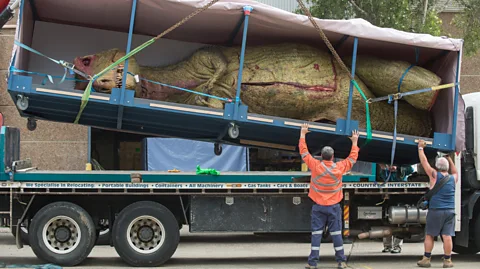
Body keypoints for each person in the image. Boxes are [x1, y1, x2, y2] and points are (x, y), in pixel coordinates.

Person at [299, 123, 360, 269]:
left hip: (318, 207)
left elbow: (304, 152)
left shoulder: (315, 166)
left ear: (321, 156)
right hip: (333, 207)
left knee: (316, 235)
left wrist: (303, 134)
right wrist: (355, 141)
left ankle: (312, 263)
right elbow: (352, 159)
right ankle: (341, 261)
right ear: (333, 157)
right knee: (337, 234)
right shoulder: (339, 168)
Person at [416, 140, 458, 268]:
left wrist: (420, 148)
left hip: (436, 211)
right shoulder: (453, 178)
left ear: (437, 167)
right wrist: (449, 159)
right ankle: (447, 260)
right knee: (447, 236)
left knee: (430, 235)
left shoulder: (434, 175)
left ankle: (426, 259)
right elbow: (455, 171)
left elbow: (424, 163)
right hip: (450, 211)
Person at [378, 164, 415, 254]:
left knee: (400, 222)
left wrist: (398, 167)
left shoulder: (403, 167)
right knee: (387, 220)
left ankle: (397, 246)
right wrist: (385, 168)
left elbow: (411, 170)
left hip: (401, 194)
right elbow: (382, 176)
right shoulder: (386, 170)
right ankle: (387, 246)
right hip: (389, 195)